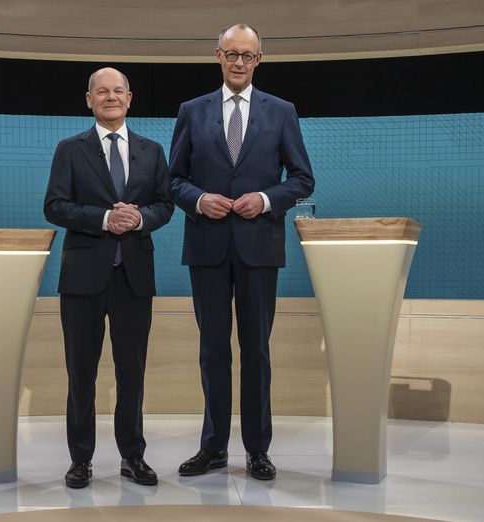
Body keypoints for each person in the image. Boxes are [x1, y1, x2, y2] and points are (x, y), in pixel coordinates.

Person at [169, 24, 315, 480]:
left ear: (259, 60)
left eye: (247, 56)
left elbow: (302, 179)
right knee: (213, 351)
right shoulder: (191, 111)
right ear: (218, 55)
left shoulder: (282, 111)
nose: (238, 62)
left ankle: (257, 449)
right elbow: (173, 180)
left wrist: (266, 199)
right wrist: (199, 200)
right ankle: (213, 447)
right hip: (207, 248)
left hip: (259, 248)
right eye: (231, 54)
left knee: (256, 351)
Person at [44, 67, 173, 488]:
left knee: (131, 372)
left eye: (118, 91)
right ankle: (80, 459)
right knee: (81, 373)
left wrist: (139, 217)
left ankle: (132, 456)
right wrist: (104, 218)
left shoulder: (152, 151)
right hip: (82, 278)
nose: (111, 97)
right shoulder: (70, 149)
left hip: (134, 277)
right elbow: (55, 206)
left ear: (130, 98)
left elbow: (165, 205)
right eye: (102, 91)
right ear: (89, 100)